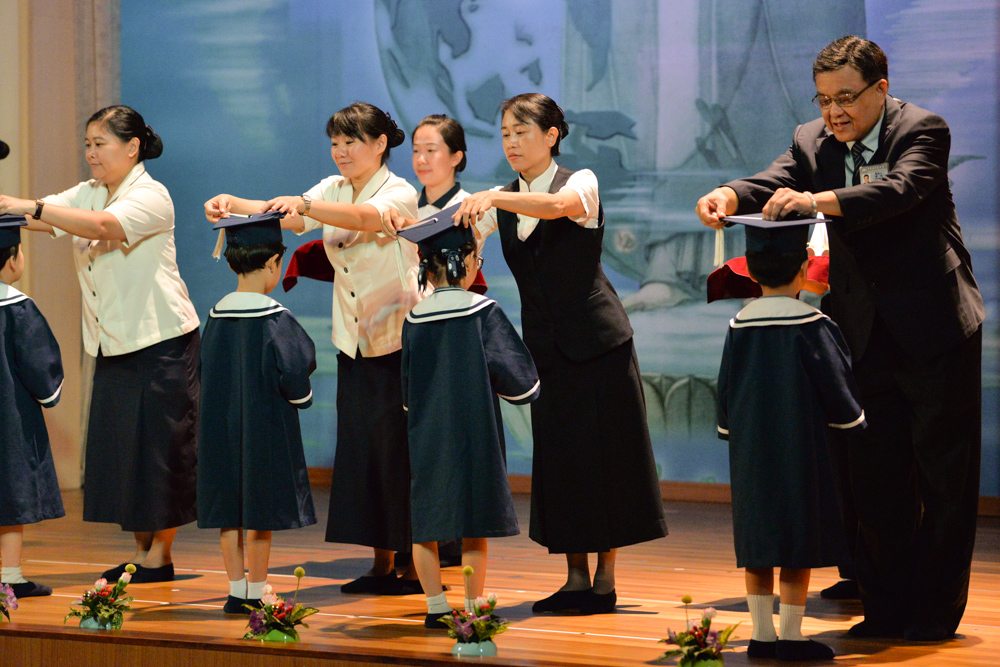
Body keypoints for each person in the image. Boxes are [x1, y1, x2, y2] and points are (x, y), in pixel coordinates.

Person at [696, 36, 984, 641]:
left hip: (935, 328)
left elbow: (898, 189)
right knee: (873, 476)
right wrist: (729, 194)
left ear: (881, 89)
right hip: (861, 330)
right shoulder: (811, 140)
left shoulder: (923, 129)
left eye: (846, 98)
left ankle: (934, 614)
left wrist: (815, 200)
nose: (834, 112)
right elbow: (772, 180)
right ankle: (884, 606)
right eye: (824, 100)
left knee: (944, 479)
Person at [444, 92, 668, 614]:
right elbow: (464, 251)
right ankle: (574, 579)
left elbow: (558, 208)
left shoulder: (578, 181)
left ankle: (605, 581)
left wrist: (493, 198)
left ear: (551, 136)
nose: (511, 143)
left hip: (600, 344)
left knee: (607, 459)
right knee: (561, 463)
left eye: (521, 132)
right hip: (545, 350)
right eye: (505, 134)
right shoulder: (501, 199)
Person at [205, 102, 423, 595]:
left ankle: (414, 566)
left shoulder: (399, 191)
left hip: (397, 338)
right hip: (353, 339)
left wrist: (305, 206)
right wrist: (232, 204)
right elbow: (283, 213)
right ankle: (380, 562)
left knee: (398, 453)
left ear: (380, 144)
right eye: (335, 143)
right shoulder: (331, 187)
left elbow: (364, 218)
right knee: (362, 452)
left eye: (351, 142)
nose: (341, 151)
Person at [0, 105, 201, 584]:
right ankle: (142, 552)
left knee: (161, 451)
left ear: (132, 147)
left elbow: (101, 226)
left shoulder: (152, 195)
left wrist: (29, 207)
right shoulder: (88, 191)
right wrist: (13, 207)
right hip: (113, 343)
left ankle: (159, 557)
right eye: (87, 144)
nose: (91, 153)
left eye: (100, 143)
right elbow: (42, 217)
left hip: (162, 341)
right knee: (124, 451)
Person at [716, 217, 866, 662]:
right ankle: (792, 636)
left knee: (759, 543)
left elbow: (726, 387)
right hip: (801, 451)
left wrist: (728, 428)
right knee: (797, 545)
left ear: (750, 271)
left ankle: (761, 636)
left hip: (751, 454)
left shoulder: (738, 325)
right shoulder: (814, 324)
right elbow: (837, 386)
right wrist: (854, 421)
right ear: (804, 269)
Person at [397, 210, 539, 627]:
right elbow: (521, 383)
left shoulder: (414, 318)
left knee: (426, 521)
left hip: (427, 434)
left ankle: (435, 607)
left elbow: (407, 390)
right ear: (468, 261)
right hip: (475, 433)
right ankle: (474, 607)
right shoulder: (484, 311)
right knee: (475, 522)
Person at [198, 213, 317, 614]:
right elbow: (296, 368)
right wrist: (300, 398)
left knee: (229, 513)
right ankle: (259, 590)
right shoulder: (275, 317)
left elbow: (203, 369)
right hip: (265, 430)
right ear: (271, 263)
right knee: (259, 514)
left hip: (220, 430)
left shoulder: (215, 315)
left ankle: (236, 591)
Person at [0, 216, 65, 599]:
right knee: (10, 491)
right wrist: (48, 394)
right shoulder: (18, 308)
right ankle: (10, 575)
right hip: (10, 420)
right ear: (12, 259)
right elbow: (42, 364)